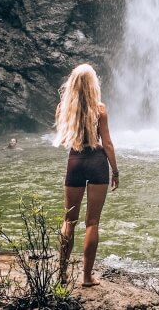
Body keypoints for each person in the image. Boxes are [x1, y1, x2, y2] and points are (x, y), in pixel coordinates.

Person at [54, 63, 119, 287]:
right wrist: (116, 170)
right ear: (93, 85)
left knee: (69, 221)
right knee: (92, 223)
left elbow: (64, 139)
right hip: (97, 163)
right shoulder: (99, 109)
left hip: (75, 161)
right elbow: (107, 143)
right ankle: (86, 277)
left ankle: (62, 274)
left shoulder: (63, 108)